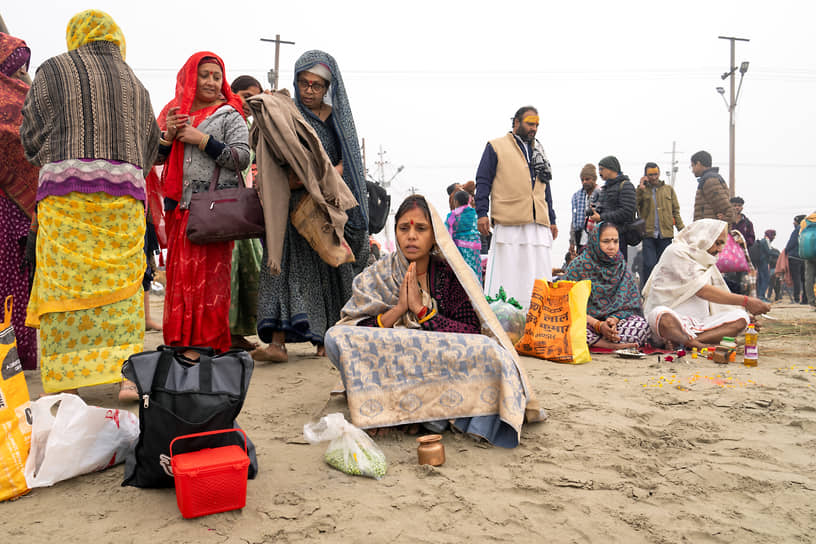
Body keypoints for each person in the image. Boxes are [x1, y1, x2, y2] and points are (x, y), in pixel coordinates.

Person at [323, 195, 545, 448]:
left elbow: (471, 333)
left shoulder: (452, 276)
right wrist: (398, 310)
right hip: (393, 364)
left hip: (439, 368)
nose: (411, 236)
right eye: (404, 228)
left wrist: (421, 312)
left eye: (421, 228)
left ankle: (422, 414)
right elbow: (355, 328)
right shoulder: (377, 275)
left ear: (434, 235)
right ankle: (410, 413)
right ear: (395, 233)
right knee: (334, 337)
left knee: (491, 351)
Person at [20, 10, 159, 399]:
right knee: (123, 284)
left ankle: (67, 380)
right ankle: (127, 377)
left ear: (76, 36)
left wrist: (55, 156)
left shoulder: (51, 70)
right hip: (123, 199)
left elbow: (29, 135)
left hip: (66, 198)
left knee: (65, 283)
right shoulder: (135, 82)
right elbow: (151, 143)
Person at [255, 50, 369, 361]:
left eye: (317, 85)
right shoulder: (287, 114)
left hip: (326, 211)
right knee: (281, 266)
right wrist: (311, 176)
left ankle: (325, 341)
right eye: (304, 83)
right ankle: (277, 344)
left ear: (329, 87)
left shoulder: (338, 122)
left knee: (327, 271)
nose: (309, 90)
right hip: (291, 208)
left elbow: (349, 165)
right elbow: (278, 161)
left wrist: (323, 178)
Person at [154, 52, 249, 355]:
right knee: (179, 280)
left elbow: (241, 157)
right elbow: (154, 159)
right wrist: (168, 136)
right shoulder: (174, 111)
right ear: (190, 77)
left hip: (211, 210)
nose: (210, 81)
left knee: (210, 282)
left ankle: (209, 348)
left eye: (216, 76)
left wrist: (201, 140)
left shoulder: (229, 114)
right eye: (204, 74)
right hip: (178, 209)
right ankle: (179, 345)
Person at [475, 106, 557, 308]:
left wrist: (552, 220)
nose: (534, 128)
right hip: (509, 221)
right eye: (530, 123)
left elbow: (545, 188)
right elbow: (483, 180)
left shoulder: (539, 150)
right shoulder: (496, 146)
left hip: (538, 224)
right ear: (516, 123)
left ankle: (536, 320)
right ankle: (503, 321)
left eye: (537, 124)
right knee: (508, 276)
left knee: (538, 277)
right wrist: (482, 213)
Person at [643, 219, 770, 349]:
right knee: (659, 314)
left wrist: (748, 318)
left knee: (741, 317)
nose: (720, 249)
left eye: (722, 244)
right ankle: (686, 340)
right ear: (704, 238)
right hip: (672, 322)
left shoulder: (706, 260)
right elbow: (703, 290)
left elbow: (717, 300)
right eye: (717, 243)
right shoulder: (676, 251)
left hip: (701, 325)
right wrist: (746, 301)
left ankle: (689, 343)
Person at [0, 32, 38, 370]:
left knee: (16, 280)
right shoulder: (20, 101)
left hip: (16, 208)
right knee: (13, 281)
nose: (23, 75)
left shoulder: (28, 100)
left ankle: (17, 355)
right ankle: (15, 357)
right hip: (11, 207)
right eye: (17, 68)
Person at [563, 223, 649, 349]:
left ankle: (609, 339)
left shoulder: (621, 267)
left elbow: (630, 305)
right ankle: (608, 345)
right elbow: (566, 302)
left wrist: (613, 320)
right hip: (585, 322)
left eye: (615, 241)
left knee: (642, 327)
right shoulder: (578, 266)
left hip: (614, 326)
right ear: (595, 241)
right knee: (567, 327)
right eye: (606, 241)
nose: (612, 247)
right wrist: (598, 325)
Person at [226, 75, 265, 351]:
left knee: (250, 269)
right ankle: (225, 334)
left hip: (245, 205)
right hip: (226, 204)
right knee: (231, 271)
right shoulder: (226, 118)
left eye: (256, 97)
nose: (250, 102)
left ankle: (236, 333)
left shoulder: (252, 125)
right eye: (246, 95)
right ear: (233, 93)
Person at [636, 162, 684, 287]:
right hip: (649, 234)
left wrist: (682, 230)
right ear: (645, 175)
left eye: (656, 174)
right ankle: (647, 291)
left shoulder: (668, 189)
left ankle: (665, 290)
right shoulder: (642, 190)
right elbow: (635, 207)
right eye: (650, 175)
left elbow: (676, 212)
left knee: (666, 266)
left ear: (659, 173)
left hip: (666, 234)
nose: (653, 177)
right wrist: (641, 188)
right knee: (649, 265)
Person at [587, 156, 636, 261]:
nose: (599, 172)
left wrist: (602, 217)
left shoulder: (626, 186)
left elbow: (626, 211)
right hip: (604, 235)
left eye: (601, 169)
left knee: (618, 269)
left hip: (619, 236)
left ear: (611, 168)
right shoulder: (605, 188)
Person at [690, 151, 736, 224]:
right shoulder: (709, 179)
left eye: (692, 166)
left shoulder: (710, 181)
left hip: (710, 231)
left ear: (698, 164)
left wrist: (724, 221)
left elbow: (727, 209)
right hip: (708, 229)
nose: (692, 170)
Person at [445, 190, 482, 279]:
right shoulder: (475, 213)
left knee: (462, 275)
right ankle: (478, 291)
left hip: (460, 250)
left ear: (456, 202)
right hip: (475, 249)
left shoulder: (453, 215)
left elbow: (445, 232)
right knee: (475, 272)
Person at [569, 163, 602, 255]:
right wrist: (572, 242)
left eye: (587, 179)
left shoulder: (601, 194)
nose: (584, 182)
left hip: (598, 236)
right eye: (582, 180)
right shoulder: (577, 196)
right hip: (581, 238)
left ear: (594, 179)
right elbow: (574, 221)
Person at [785, 214, 807, 304]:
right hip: (804, 257)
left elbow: (791, 243)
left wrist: (786, 251)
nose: (793, 223)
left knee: (796, 278)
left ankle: (796, 298)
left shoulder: (797, 230)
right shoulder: (806, 230)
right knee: (804, 278)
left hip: (794, 257)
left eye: (795, 221)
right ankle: (805, 298)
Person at [755, 229, 777, 302]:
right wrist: (778, 255)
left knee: (761, 279)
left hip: (760, 261)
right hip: (763, 262)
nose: (774, 238)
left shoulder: (762, 240)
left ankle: (760, 296)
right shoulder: (766, 241)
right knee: (765, 279)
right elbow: (769, 251)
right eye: (773, 235)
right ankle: (762, 296)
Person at [801, 212, 816, 307]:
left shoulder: (805, 221)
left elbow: (801, 236)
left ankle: (812, 301)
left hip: (809, 253)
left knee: (809, 278)